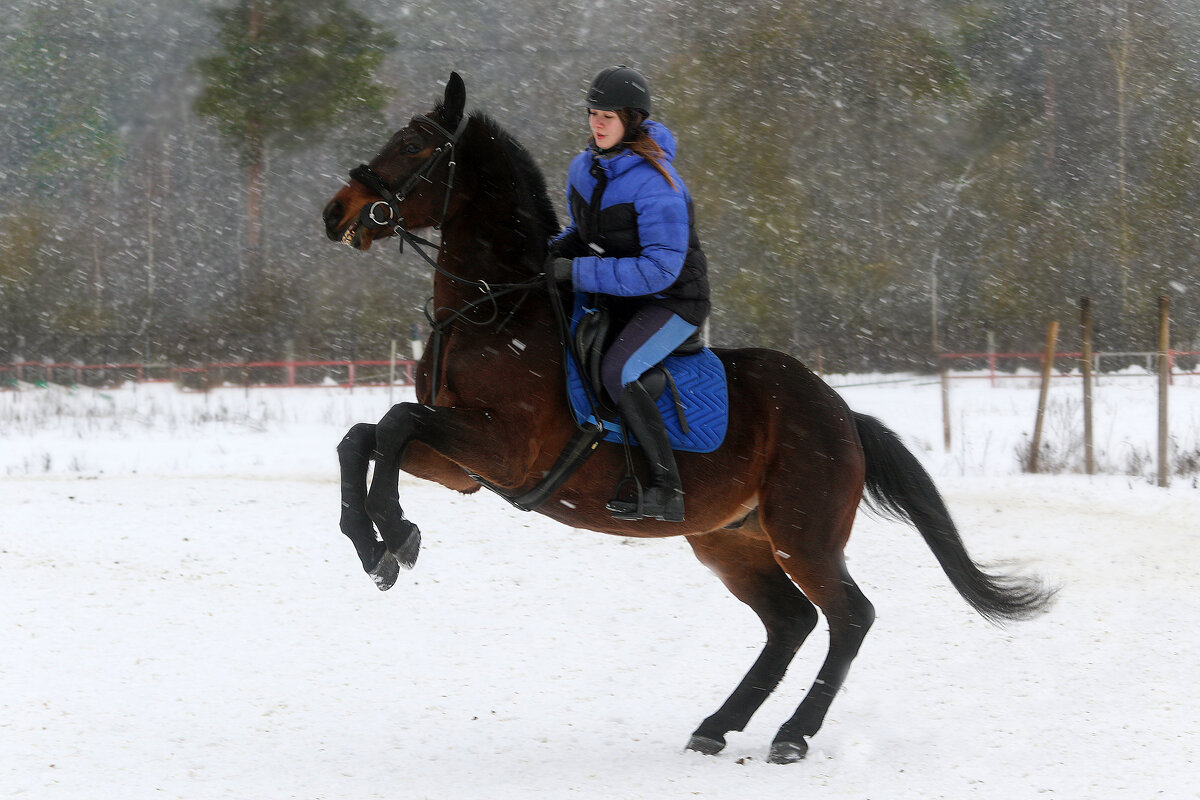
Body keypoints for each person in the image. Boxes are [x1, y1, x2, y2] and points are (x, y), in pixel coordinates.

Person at [549, 65, 710, 523]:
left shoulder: (661, 185)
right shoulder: (583, 167)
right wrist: (548, 255)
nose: (597, 124)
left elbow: (659, 270)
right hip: (623, 295)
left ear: (633, 120)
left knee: (619, 368)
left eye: (608, 116)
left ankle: (666, 486)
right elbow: (580, 231)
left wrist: (578, 271)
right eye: (593, 114)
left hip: (674, 300)